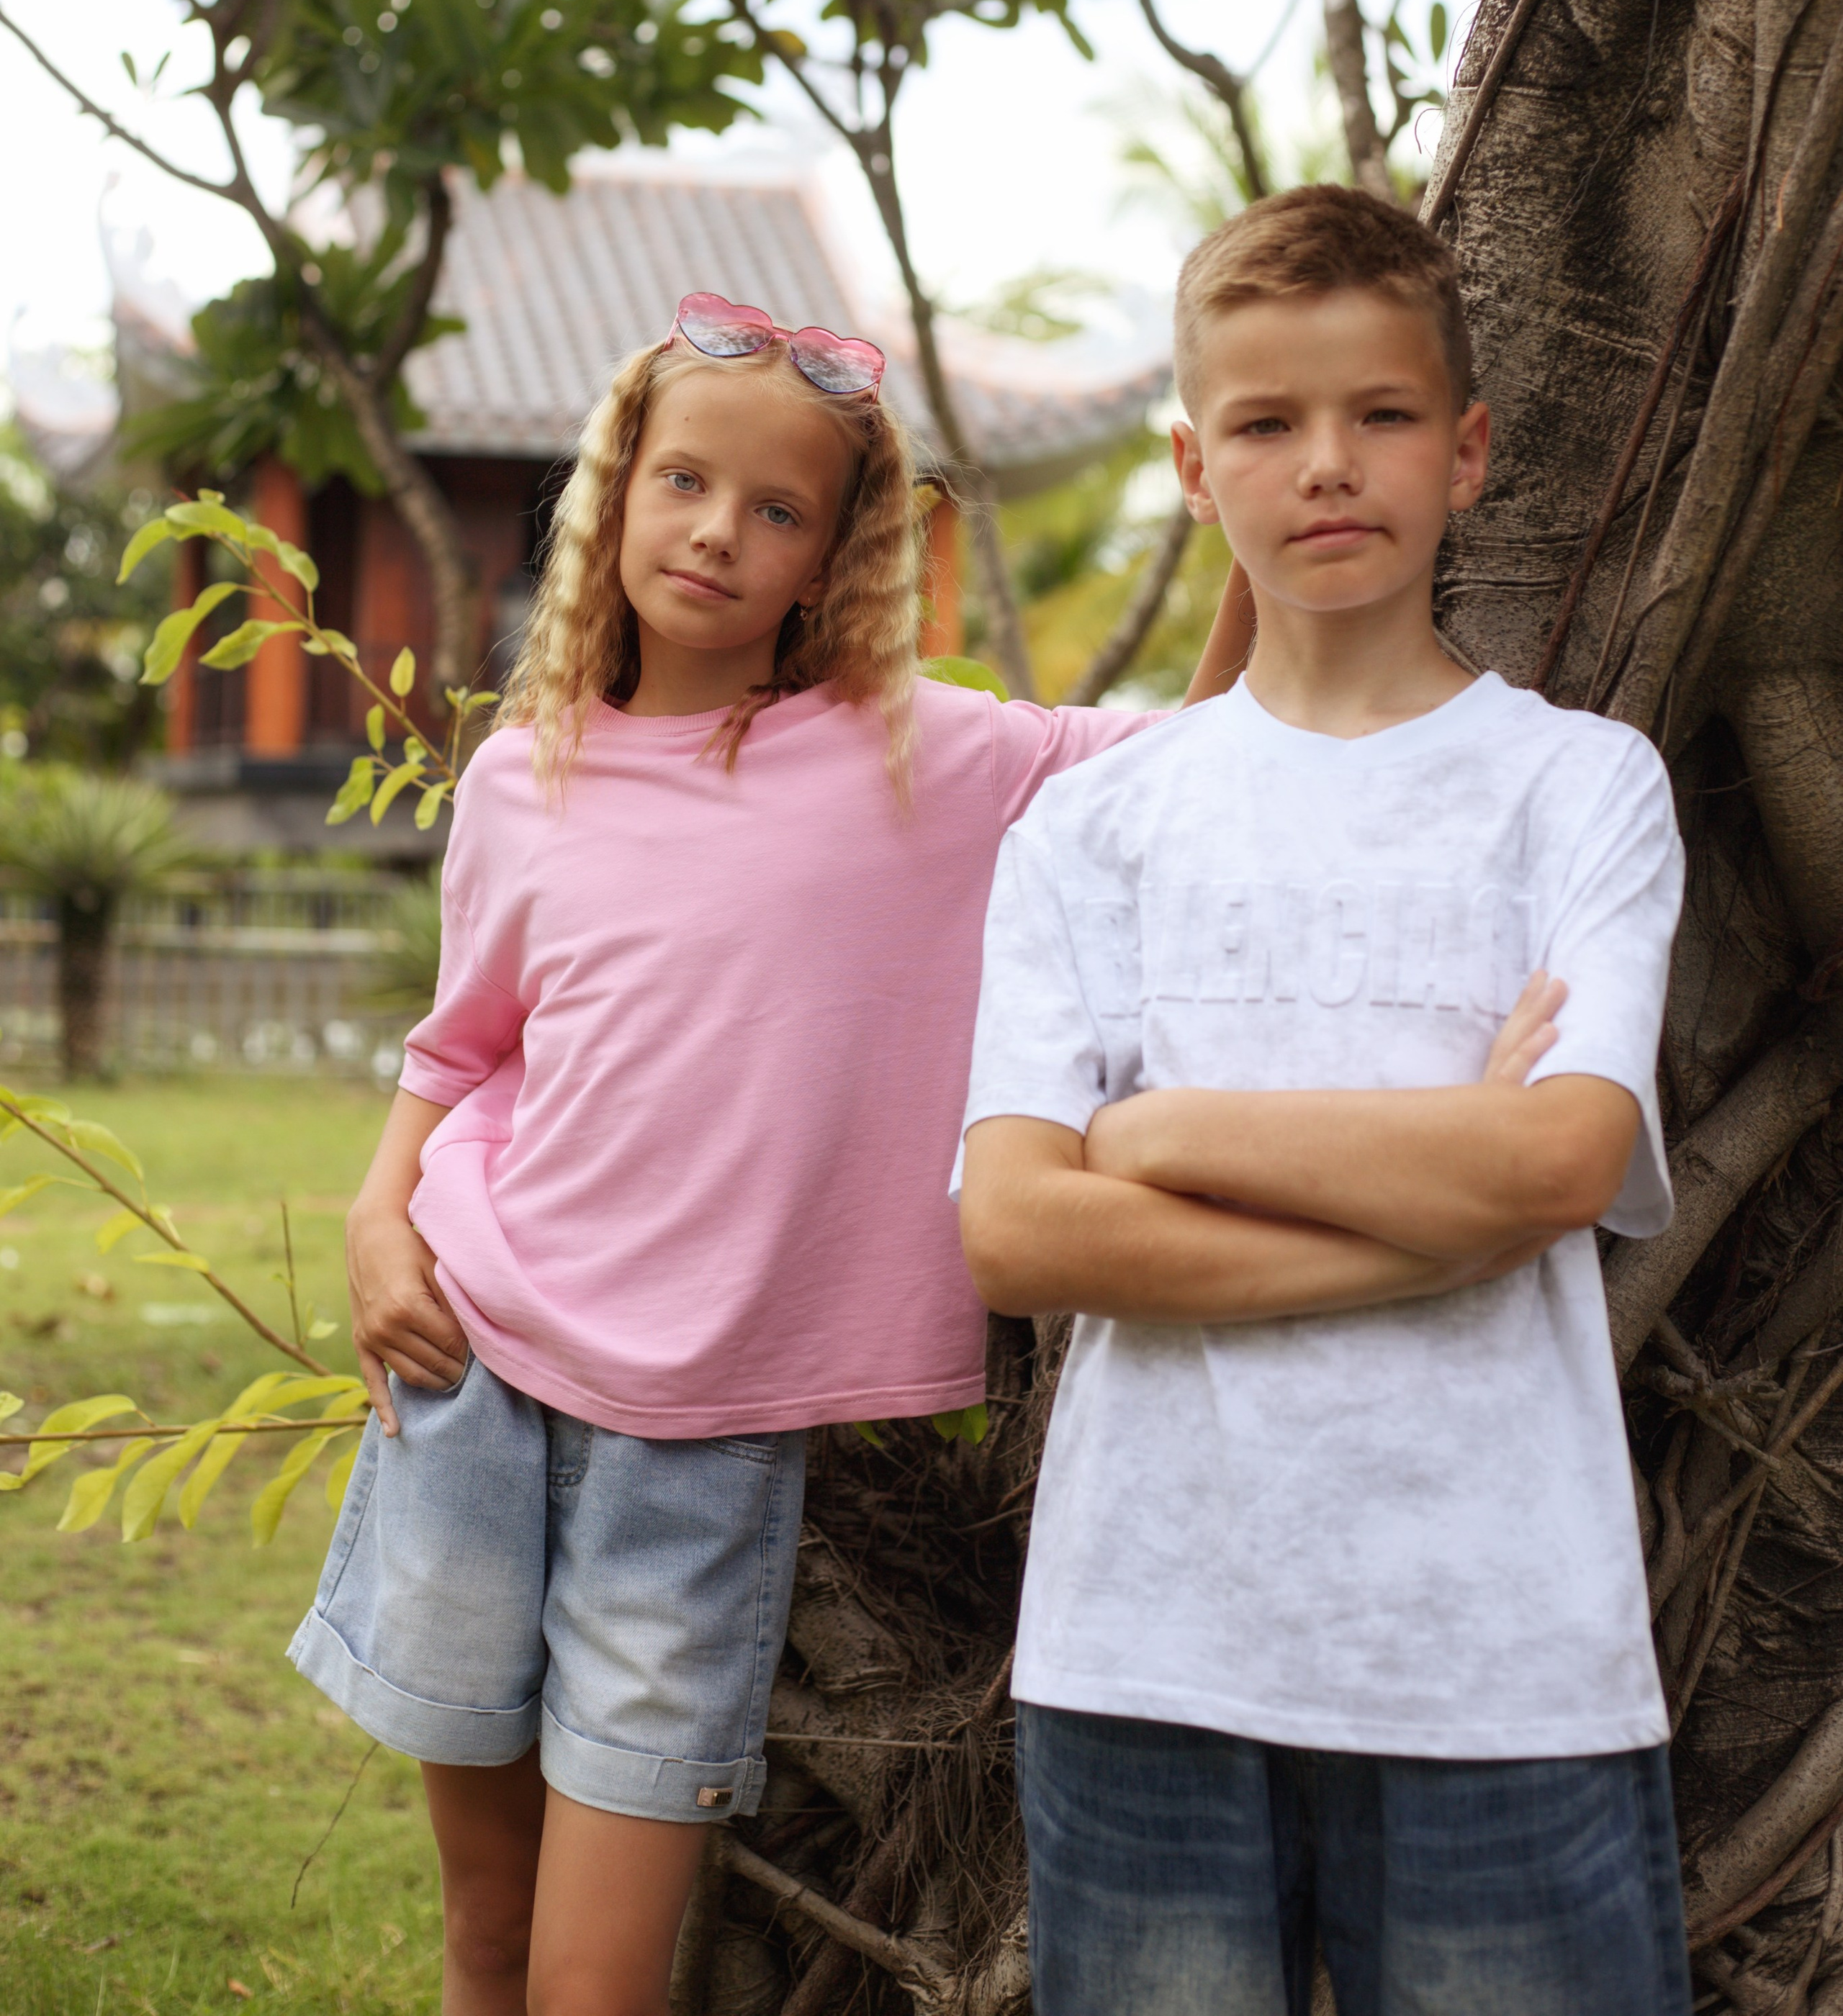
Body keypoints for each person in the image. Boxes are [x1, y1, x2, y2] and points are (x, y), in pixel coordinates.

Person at [288, 289, 1250, 2016]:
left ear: (827, 560)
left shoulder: (925, 756)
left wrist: (1243, 532)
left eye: (776, 509)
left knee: (593, 1981)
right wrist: (375, 1217)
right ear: (616, 496)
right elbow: (459, 1050)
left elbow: (1198, 760)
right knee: (483, 1945)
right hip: (469, 1383)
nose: (718, 532)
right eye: (682, 483)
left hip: (704, 1448)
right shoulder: (524, 776)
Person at [957, 188, 1690, 2016]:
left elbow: (1560, 1154)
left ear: (1467, 450)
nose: (1327, 465)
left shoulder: (1576, 790)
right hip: (1143, 1649)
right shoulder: (1094, 824)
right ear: (1196, 473)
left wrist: (1169, 1134)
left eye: (1376, 414)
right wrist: (1431, 1221)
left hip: (1502, 1648)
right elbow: (1018, 1229)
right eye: (1268, 426)